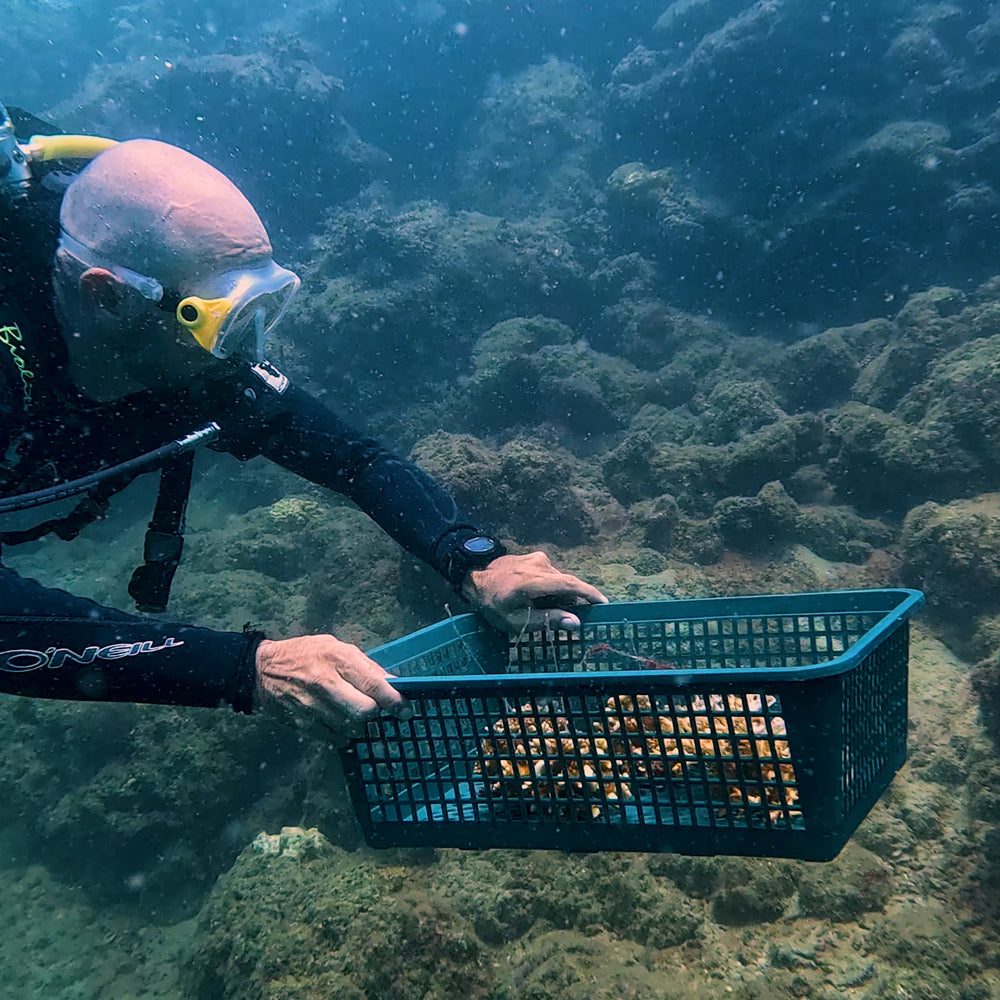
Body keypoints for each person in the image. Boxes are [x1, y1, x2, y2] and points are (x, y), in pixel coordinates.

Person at [0, 102, 607, 744]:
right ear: (108, 296)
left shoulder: (184, 358)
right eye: (221, 318)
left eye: (263, 308)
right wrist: (249, 667)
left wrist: (478, 562)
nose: (248, 348)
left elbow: (354, 458)